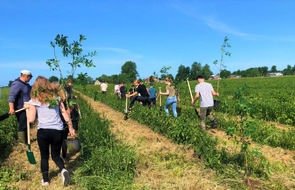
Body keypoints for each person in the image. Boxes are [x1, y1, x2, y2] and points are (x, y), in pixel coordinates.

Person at [25, 76, 76, 187]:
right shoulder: (56, 98)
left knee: (44, 157)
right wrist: (71, 128)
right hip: (57, 130)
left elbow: (31, 119)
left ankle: (46, 180)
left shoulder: (34, 100)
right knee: (56, 155)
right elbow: (65, 114)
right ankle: (63, 170)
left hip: (43, 132)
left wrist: (28, 108)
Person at [8, 70, 33, 143]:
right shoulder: (17, 84)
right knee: (23, 125)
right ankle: (22, 142)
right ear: (25, 76)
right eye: (30, 77)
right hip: (21, 109)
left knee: (28, 124)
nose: (30, 79)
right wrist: (11, 108)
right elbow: (11, 97)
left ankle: (27, 140)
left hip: (28, 108)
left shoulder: (27, 85)